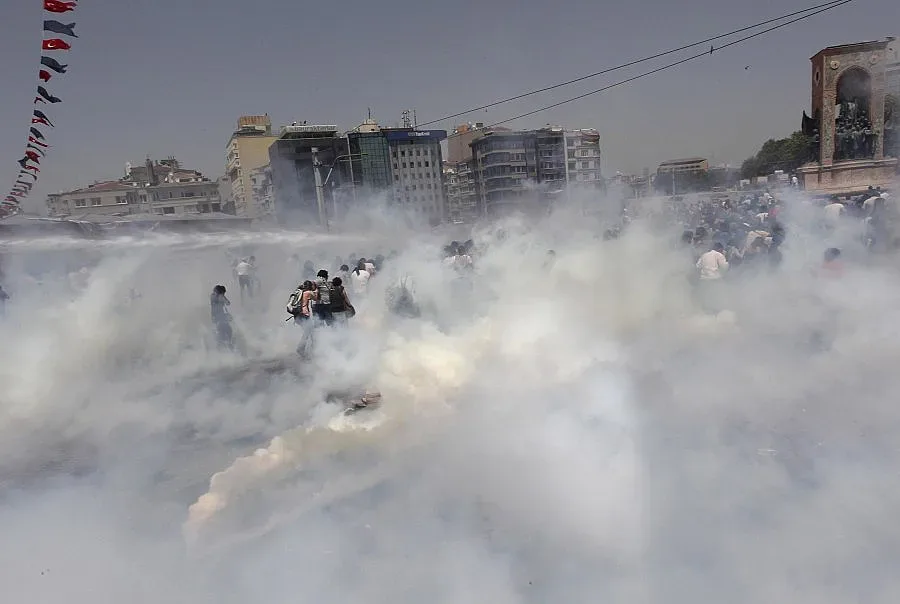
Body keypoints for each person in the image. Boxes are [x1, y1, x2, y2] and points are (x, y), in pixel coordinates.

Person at [287, 280, 317, 357]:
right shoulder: (308, 293)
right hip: (304, 315)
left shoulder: (299, 292)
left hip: (297, 315)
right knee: (309, 331)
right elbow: (316, 298)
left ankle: (307, 348)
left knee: (308, 331)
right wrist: (316, 289)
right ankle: (302, 348)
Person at [210, 285, 233, 349]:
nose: (224, 294)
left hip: (215, 315)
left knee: (220, 328)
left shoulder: (213, 296)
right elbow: (228, 303)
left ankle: (221, 342)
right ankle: (226, 342)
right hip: (219, 315)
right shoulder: (220, 297)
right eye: (223, 292)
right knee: (227, 329)